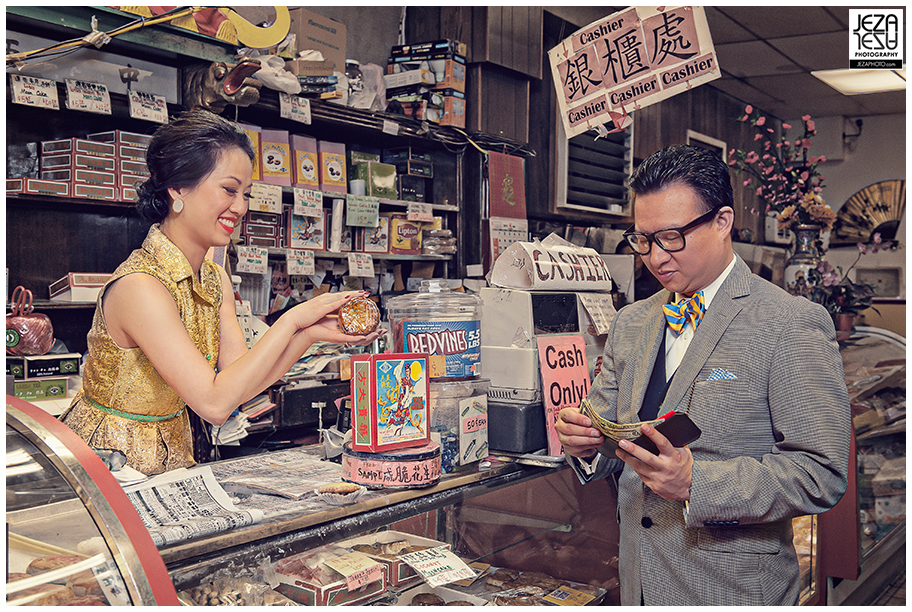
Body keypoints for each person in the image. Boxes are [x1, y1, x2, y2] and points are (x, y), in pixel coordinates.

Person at [555, 145, 850, 606]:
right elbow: (614, 440)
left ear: (722, 221)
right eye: (642, 239)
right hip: (638, 584)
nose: (654, 257)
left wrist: (698, 483)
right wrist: (585, 441)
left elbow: (821, 472)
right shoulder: (631, 321)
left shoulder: (789, 321)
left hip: (731, 589)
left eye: (671, 236)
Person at [59, 109, 384, 475]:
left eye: (246, 193)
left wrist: (309, 334)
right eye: (229, 190)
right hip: (108, 465)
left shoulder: (214, 278)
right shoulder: (140, 287)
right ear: (178, 187)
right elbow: (213, 405)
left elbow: (237, 386)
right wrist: (292, 318)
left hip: (171, 457)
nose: (241, 207)